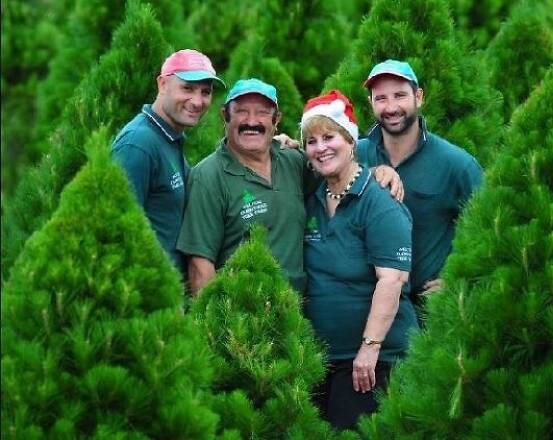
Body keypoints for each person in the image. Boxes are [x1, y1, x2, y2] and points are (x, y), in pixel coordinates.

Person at [300, 90, 418, 430]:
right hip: (323, 361)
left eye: (329, 137)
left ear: (351, 140)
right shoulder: (314, 200)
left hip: (373, 363)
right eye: (311, 141)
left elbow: (392, 279)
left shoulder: (378, 200)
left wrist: (369, 347)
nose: (321, 147)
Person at [358, 59, 483, 315]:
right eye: (380, 98)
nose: (391, 107)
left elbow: (488, 228)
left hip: (427, 313)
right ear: (371, 103)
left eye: (400, 96)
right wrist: (283, 147)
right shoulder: (354, 156)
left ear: (419, 97)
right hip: (365, 307)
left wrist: (459, 279)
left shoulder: (456, 164)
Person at [177, 78, 311, 294]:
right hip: (243, 317)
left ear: (276, 120)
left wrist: (378, 171)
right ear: (224, 115)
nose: (252, 121)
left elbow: (338, 176)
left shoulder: (294, 161)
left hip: (296, 315)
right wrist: (218, 323)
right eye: (241, 111)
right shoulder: (208, 176)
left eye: (262, 113)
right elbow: (200, 266)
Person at [112, 49, 225, 276]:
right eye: (187, 88)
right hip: (152, 297)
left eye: (206, 92)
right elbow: (118, 232)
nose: (197, 101)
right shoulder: (138, 144)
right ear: (162, 84)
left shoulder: (168, 138)